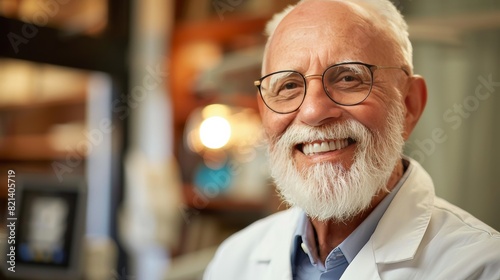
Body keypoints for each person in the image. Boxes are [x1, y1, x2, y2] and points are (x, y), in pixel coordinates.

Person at [203, 0, 500, 279]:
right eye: (289, 85)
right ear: (263, 111)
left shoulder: (482, 267)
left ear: (409, 105)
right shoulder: (233, 260)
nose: (313, 111)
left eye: (348, 78)